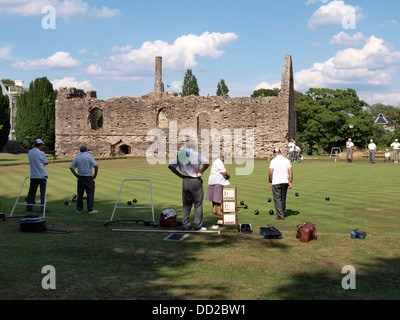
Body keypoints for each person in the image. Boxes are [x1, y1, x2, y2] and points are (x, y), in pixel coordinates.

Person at [168, 140, 210, 231]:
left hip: (185, 180)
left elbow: (170, 166)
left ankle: (185, 225)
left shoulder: (182, 154)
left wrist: (179, 175)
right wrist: (201, 171)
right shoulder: (197, 154)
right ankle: (198, 225)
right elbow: (207, 163)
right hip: (195, 180)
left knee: (186, 205)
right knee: (198, 204)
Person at [69, 145, 99, 214]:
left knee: (80, 194)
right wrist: (95, 175)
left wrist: (76, 175)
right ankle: (90, 209)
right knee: (90, 194)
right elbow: (96, 166)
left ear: (80, 150)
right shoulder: (89, 157)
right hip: (88, 178)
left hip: (81, 178)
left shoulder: (77, 158)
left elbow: (71, 167)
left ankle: (79, 209)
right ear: (87, 150)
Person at [269, 148, 293, 221]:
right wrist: (290, 182)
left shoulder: (273, 161)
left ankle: (281, 215)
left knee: (277, 199)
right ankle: (282, 212)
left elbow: (270, 173)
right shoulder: (286, 160)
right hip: (285, 181)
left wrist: (270, 181)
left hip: (276, 182)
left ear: (274, 154)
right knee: (283, 198)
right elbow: (291, 172)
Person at [26, 139, 49, 213]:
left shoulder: (30, 152)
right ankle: (43, 208)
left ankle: (29, 207)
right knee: (43, 192)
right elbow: (46, 162)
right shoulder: (41, 153)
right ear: (40, 145)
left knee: (32, 192)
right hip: (42, 175)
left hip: (33, 175)